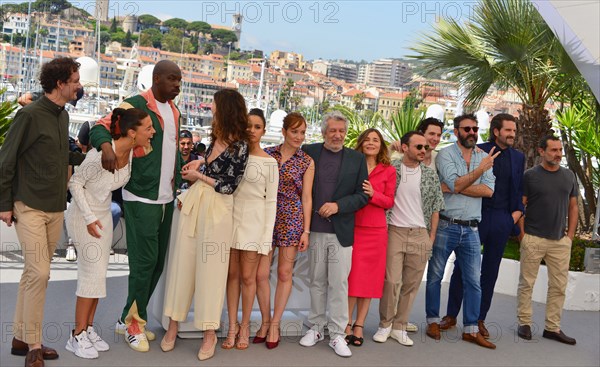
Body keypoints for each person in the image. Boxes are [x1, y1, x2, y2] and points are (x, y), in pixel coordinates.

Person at [89, 60, 183, 352]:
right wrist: (106, 147)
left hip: (166, 197)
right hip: (141, 196)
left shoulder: (175, 111)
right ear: (156, 79)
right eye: (172, 79)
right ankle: (133, 325)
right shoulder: (134, 105)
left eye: (180, 80)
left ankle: (128, 318)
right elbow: (99, 128)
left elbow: (170, 151)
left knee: (156, 264)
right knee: (143, 263)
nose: (177, 85)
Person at [0, 57, 84, 367]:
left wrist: (98, 153)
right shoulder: (30, 115)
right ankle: (34, 346)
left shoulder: (62, 116)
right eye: (75, 80)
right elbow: (6, 159)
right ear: (60, 83)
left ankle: (21, 337)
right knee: (40, 272)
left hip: (54, 207)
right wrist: (4, 204)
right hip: (29, 206)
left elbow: (63, 155)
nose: (79, 85)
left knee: (33, 276)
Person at [162, 89, 249, 361]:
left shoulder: (241, 145)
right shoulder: (216, 139)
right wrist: (200, 164)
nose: (210, 107)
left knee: (211, 271)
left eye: (213, 103)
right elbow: (213, 169)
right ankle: (172, 326)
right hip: (197, 202)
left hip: (220, 209)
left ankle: (209, 332)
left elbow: (229, 186)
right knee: (182, 265)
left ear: (224, 108)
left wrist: (198, 175)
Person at [65, 108, 155, 359]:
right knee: (90, 276)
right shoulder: (99, 155)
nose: (153, 132)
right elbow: (75, 184)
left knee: (98, 276)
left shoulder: (131, 154)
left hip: (103, 216)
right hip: (84, 217)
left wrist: (98, 217)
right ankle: (77, 335)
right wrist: (90, 218)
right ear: (131, 132)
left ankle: (89, 329)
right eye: (148, 128)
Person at [441, 114, 524, 337]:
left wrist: (514, 217)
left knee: (490, 272)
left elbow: (518, 190)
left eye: (514, 131)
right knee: (462, 268)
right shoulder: (478, 150)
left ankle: (479, 319)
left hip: (502, 220)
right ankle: (450, 315)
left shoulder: (518, 157)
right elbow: (461, 180)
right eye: (508, 130)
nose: (512, 135)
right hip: (477, 216)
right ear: (496, 131)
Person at [298, 111, 368, 358]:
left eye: (341, 131)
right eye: (332, 131)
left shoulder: (357, 159)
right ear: (323, 132)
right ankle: (315, 328)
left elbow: (363, 195)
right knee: (316, 281)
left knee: (339, 284)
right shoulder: (309, 151)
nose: (337, 135)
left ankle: (337, 334)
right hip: (314, 229)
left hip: (341, 232)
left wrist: (339, 206)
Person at [425, 113, 498, 349]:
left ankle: (471, 329)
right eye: (467, 129)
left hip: (472, 229)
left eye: (475, 129)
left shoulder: (484, 156)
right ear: (456, 131)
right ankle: (433, 321)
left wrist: (455, 186)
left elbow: (488, 191)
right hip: (446, 223)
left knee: (474, 281)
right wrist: (476, 174)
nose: (472, 133)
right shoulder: (446, 154)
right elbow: (455, 184)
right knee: (435, 277)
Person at [373, 131, 444, 346]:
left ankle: (399, 326)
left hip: (420, 233)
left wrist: (431, 236)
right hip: (394, 230)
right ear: (405, 147)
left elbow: (435, 207)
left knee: (411, 284)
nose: (424, 150)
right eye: (419, 147)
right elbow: (373, 158)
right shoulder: (391, 169)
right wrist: (391, 148)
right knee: (391, 281)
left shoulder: (430, 175)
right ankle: (385, 324)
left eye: (425, 147)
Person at [256, 112, 315, 349]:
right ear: (284, 131)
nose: (299, 136)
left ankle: (275, 324)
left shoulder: (307, 161)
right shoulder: (267, 154)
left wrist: (306, 231)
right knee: (260, 274)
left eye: (302, 132)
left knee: (284, 273)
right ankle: (264, 320)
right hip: (264, 217)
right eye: (294, 131)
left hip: (291, 218)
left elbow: (307, 198)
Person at [222, 108, 279, 350]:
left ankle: (245, 325)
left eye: (257, 127)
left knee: (248, 277)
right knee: (231, 276)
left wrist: (266, 239)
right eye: (249, 126)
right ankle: (232, 326)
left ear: (264, 131)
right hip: (231, 220)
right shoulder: (233, 155)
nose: (253, 131)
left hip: (255, 224)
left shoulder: (270, 162)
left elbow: (271, 202)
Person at [516, 135, 578, 345]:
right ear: (542, 152)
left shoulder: (569, 176)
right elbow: (521, 205)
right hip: (533, 238)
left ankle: (552, 328)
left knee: (559, 286)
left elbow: (573, 206)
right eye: (553, 150)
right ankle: (524, 323)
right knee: (527, 284)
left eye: (560, 150)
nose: (558, 154)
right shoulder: (530, 176)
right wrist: (523, 235)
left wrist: (569, 236)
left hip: (560, 242)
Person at [345, 128, 396, 347]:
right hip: (352, 227)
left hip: (375, 231)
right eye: (367, 139)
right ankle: (344, 323)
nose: (371, 143)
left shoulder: (388, 170)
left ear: (381, 145)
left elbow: (389, 202)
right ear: (361, 143)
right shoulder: (351, 165)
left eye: (375, 140)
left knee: (368, 282)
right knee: (352, 278)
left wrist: (374, 194)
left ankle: (359, 325)